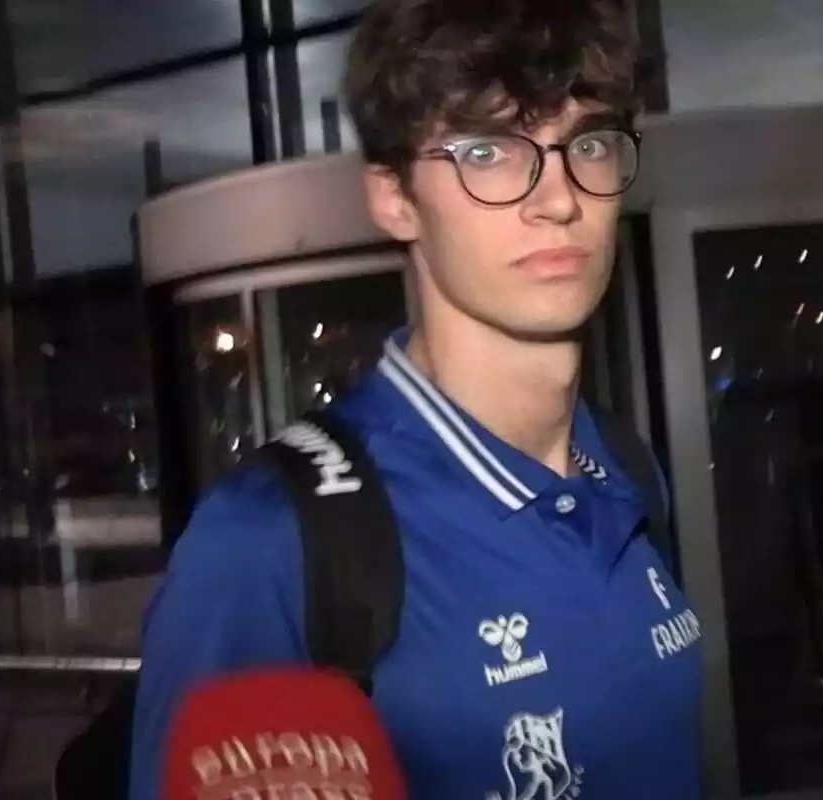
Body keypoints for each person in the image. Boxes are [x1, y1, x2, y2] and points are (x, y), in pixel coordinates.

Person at [128, 1, 704, 798]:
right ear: (394, 197)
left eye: (590, 144)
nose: (559, 197)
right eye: (489, 151)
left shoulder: (626, 469)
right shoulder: (269, 545)